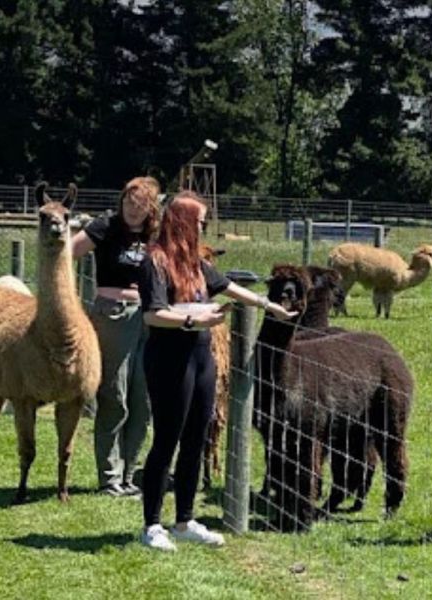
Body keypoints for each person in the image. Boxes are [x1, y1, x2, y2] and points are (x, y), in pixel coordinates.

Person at [137, 191, 296, 551]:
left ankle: (184, 520)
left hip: (200, 357)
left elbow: (226, 286)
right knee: (166, 440)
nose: (205, 227)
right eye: (201, 221)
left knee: (196, 437)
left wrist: (267, 304)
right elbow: (152, 313)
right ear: (182, 221)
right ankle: (152, 525)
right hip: (168, 360)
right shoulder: (155, 262)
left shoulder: (195, 263)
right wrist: (195, 319)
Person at [71, 176, 160, 497]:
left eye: (140, 205)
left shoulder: (156, 235)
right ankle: (109, 476)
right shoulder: (105, 226)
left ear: (151, 207)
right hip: (113, 314)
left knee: (143, 399)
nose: (133, 210)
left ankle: (129, 474)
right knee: (115, 396)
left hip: (150, 317)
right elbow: (68, 252)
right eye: (128, 203)